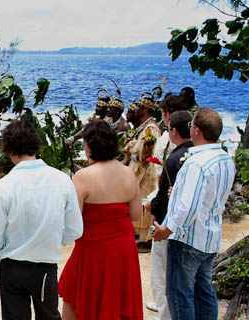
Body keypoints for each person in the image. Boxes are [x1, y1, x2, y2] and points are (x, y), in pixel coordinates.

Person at [0, 119, 82, 320]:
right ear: (36, 146)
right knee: (49, 316)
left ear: (9, 151)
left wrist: (7, 246)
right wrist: (53, 238)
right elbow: (75, 230)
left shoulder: (3, 186)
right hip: (45, 265)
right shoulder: (61, 180)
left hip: (12, 266)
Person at [152, 108, 236, 320]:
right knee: (204, 291)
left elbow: (188, 209)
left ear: (196, 131)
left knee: (180, 296)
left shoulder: (196, 163)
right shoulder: (225, 159)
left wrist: (166, 229)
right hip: (210, 235)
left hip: (188, 238)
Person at [60, 121, 145, 320]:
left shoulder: (82, 177)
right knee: (119, 298)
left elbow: (72, 220)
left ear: (89, 147)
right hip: (123, 248)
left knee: (75, 296)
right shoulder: (128, 173)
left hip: (93, 248)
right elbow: (135, 214)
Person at [146, 110, 194, 316]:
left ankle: (165, 313)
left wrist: (150, 206)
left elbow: (164, 198)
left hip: (167, 223)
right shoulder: (196, 153)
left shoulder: (174, 160)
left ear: (174, 131)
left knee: (162, 274)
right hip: (190, 227)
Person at [124, 97, 161, 245]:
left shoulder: (151, 129)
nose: (136, 109)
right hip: (138, 172)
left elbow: (146, 153)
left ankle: (143, 239)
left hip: (145, 174)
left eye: (139, 107)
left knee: (143, 204)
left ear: (145, 109)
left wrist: (132, 148)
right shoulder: (145, 128)